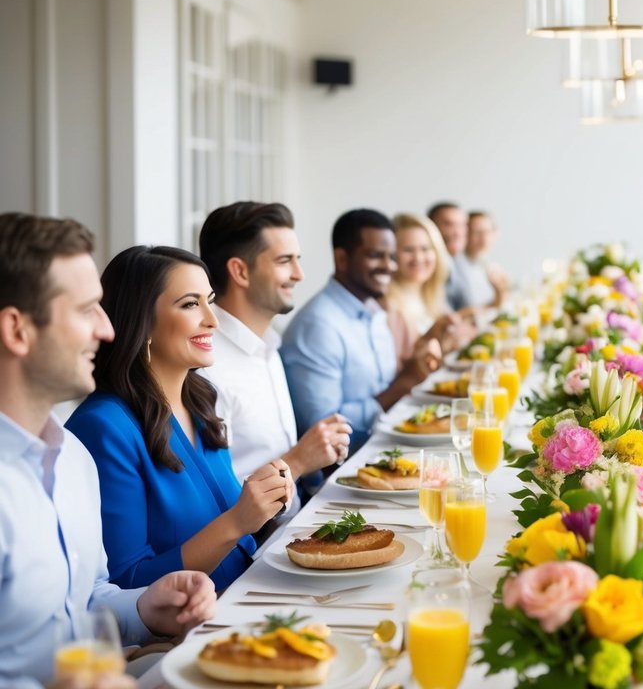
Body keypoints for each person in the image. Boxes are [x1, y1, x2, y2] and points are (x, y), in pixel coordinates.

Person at [0, 214, 216, 687]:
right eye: (86, 311)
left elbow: (88, 598)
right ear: (17, 330)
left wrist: (144, 606)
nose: (108, 329)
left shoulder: (72, 457)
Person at [66, 246, 292, 592]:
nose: (213, 320)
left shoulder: (201, 399)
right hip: (195, 619)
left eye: (209, 301)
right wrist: (237, 521)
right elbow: (127, 583)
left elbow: (235, 541)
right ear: (143, 321)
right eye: (190, 304)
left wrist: (266, 502)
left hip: (247, 596)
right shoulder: (103, 428)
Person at [196, 202, 352, 524]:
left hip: (296, 523)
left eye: (298, 260)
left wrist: (317, 456)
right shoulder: (208, 368)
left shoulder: (268, 344)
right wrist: (298, 461)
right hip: (256, 549)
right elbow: (214, 507)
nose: (299, 274)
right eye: (284, 261)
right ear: (240, 271)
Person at [281, 209, 440, 449]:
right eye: (376, 256)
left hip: (387, 444)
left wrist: (414, 367)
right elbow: (324, 429)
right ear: (342, 259)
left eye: (392, 256)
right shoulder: (319, 326)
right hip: (346, 462)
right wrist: (402, 385)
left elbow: (385, 386)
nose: (389, 266)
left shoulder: (375, 312)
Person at [384, 213, 472, 370]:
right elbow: (399, 372)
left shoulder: (432, 295)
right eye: (408, 250)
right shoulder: (388, 306)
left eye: (425, 249)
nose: (418, 258)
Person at [428, 201, 472, 311]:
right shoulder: (427, 266)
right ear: (431, 227)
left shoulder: (455, 261)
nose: (458, 233)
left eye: (462, 225)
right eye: (449, 225)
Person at [465, 210, 509, 308]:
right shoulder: (458, 267)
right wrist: (499, 293)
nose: (484, 238)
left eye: (488, 232)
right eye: (477, 233)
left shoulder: (486, 264)